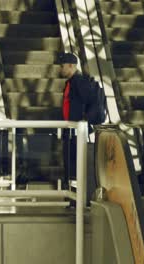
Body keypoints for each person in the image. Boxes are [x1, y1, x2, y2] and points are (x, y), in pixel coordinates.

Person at [59, 53, 92, 190]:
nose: (60, 69)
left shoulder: (79, 81)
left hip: (77, 132)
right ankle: (72, 196)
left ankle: (76, 197)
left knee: (75, 164)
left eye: (62, 66)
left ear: (71, 66)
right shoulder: (70, 82)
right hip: (71, 131)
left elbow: (88, 102)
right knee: (70, 164)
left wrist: (83, 123)